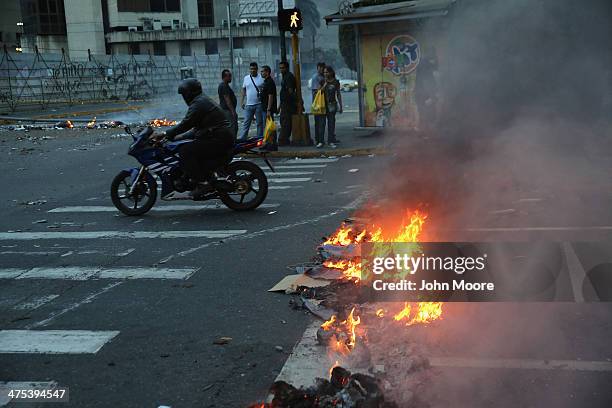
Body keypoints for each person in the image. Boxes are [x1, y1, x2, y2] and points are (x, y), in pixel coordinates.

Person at [151, 78, 234, 198]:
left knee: (185, 151)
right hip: (218, 136)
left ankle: (203, 183)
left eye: (184, 94)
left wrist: (165, 134)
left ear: (190, 93)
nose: (184, 97)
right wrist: (177, 138)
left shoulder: (199, 103)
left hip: (218, 138)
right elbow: (196, 129)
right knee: (186, 146)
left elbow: (186, 123)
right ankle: (198, 178)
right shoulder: (201, 100)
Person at [318, 65, 343, 148]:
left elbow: (338, 94)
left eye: (327, 72)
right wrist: (325, 84)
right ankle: (321, 141)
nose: (325, 74)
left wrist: (340, 105)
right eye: (324, 72)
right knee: (322, 124)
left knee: (331, 123)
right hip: (323, 105)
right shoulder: (322, 81)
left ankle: (331, 140)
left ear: (331, 72)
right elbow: (319, 92)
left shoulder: (336, 82)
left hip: (332, 105)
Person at [239, 62, 265, 140]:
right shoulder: (246, 78)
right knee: (246, 123)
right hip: (248, 105)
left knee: (259, 123)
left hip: (259, 104)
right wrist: (242, 101)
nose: (252, 70)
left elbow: (265, 90)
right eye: (251, 69)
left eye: (254, 69)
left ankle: (259, 139)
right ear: (249, 69)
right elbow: (243, 89)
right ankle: (243, 139)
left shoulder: (261, 78)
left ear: (257, 69)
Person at [278, 61, 297, 146]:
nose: (281, 70)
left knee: (286, 122)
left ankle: (283, 139)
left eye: (283, 68)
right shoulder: (285, 76)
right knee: (284, 121)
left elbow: (290, 91)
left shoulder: (289, 77)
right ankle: (284, 139)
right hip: (284, 103)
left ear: (287, 68)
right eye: (280, 68)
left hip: (288, 104)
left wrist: (295, 102)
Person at [260, 65, 278, 151]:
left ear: (267, 72)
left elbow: (271, 96)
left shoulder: (270, 82)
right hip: (265, 108)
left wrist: (268, 109)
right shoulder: (266, 82)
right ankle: (268, 143)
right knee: (267, 126)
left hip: (268, 109)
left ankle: (272, 143)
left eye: (262, 71)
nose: (261, 73)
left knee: (270, 126)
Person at [218, 69, 238, 139]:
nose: (230, 78)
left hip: (227, 110)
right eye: (229, 76)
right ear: (224, 77)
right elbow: (228, 100)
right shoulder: (224, 86)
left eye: (230, 76)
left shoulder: (225, 85)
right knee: (232, 128)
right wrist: (233, 112)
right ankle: (232, 144)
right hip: (227, 111)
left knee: (233, 127)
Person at [310, 62, 326, 145]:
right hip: (318, 104)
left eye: (322, 68)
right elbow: (317, 91)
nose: (321, 69)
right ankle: (319, 139)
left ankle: (319, 139)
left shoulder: (324, 76)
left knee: (321, 123)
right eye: (319, 68)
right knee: (320, 122)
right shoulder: (316, 77)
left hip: (322, 103)